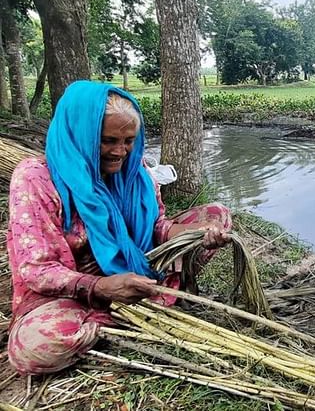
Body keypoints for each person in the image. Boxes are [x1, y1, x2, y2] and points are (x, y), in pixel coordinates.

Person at [6, 81, 232, 375]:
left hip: (134, 269)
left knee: (217, 215)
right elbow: (37, 270)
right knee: (35, 350)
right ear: (80, 134)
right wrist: (100, 287)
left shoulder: (137, 174)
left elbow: (155, 228)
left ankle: (132, 302)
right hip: (72, 291)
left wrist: (193, 235)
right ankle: (123, 310)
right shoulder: (37, 178)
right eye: (107, 140)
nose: (120, 152)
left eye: (128, 140)